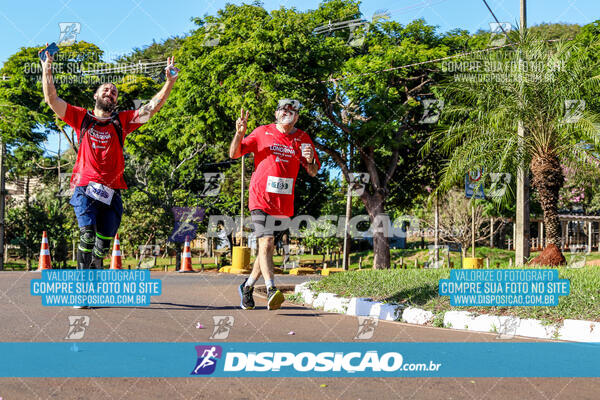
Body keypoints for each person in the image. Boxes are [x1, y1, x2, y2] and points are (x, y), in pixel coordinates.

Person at [40, 45, 178, 275]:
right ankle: (82, 288)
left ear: (115, 101)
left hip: (111, 191)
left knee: (102, 245)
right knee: (86, 236)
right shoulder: (81, 117)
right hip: (85, 187)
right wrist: (47, 68)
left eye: (113, 92)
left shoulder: (121, 121)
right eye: (105, 89)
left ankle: (94, 273)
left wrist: (169, 82)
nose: (109, 93)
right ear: (96, 95)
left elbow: (151, 108)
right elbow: (51, 98)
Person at [229, 99, 320, 310]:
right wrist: (239, 133)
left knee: (266, 250)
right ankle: (271, 289)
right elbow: (233, 154)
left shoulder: (302, 138)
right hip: (260, 198)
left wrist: (311, 161)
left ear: (297, 116)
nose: (287, 113)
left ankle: (247, 286)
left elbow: (313, 171)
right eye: (283, 110)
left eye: (292, 111)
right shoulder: (262, 132)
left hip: (283, 203)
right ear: (277, 113)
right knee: (267, 243)